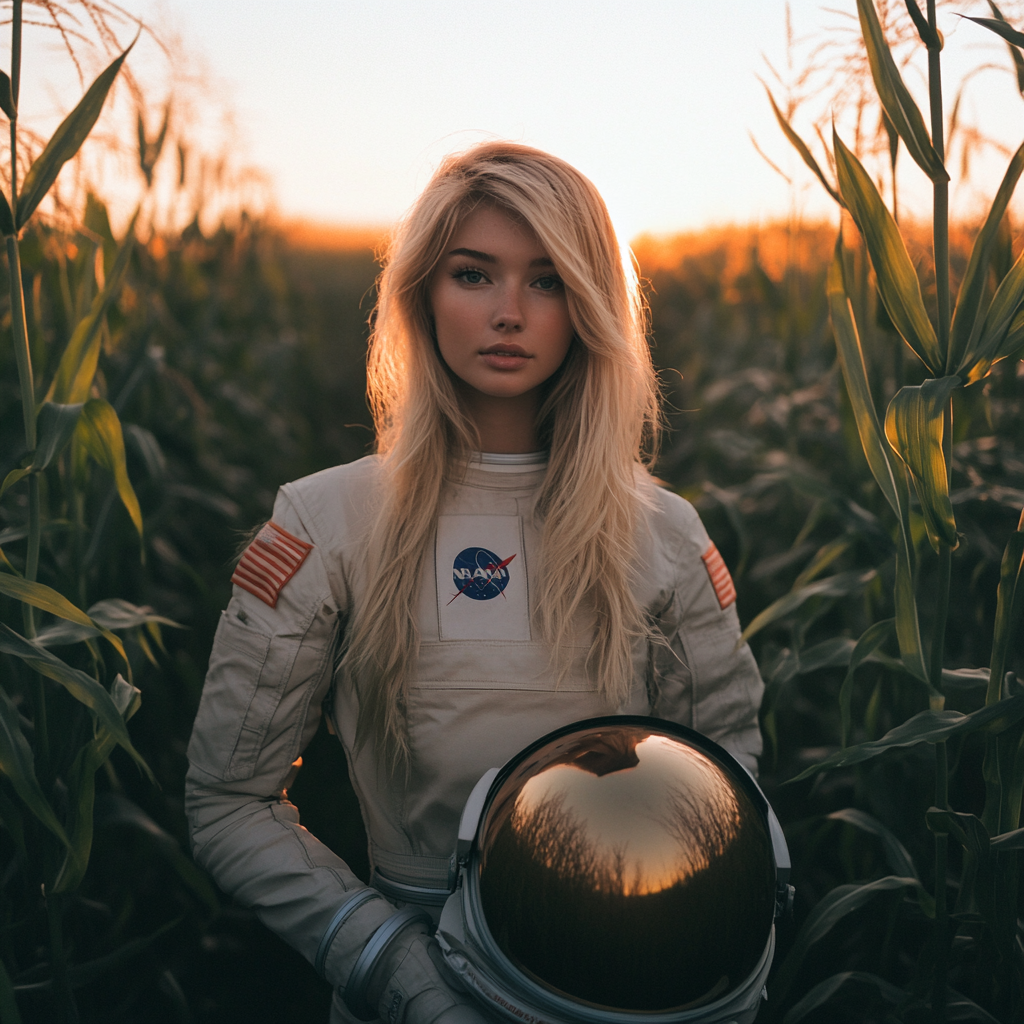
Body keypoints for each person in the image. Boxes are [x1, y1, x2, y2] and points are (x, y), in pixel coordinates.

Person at [185, 142, 764, 1024]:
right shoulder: (326, 519)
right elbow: (228, 800)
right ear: (421, 293)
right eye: (473, 275)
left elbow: (729, 788)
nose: (509, 313)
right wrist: (395, 969)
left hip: (627, 992)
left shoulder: (665, 533)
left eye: (547, 281)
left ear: (591, 305)